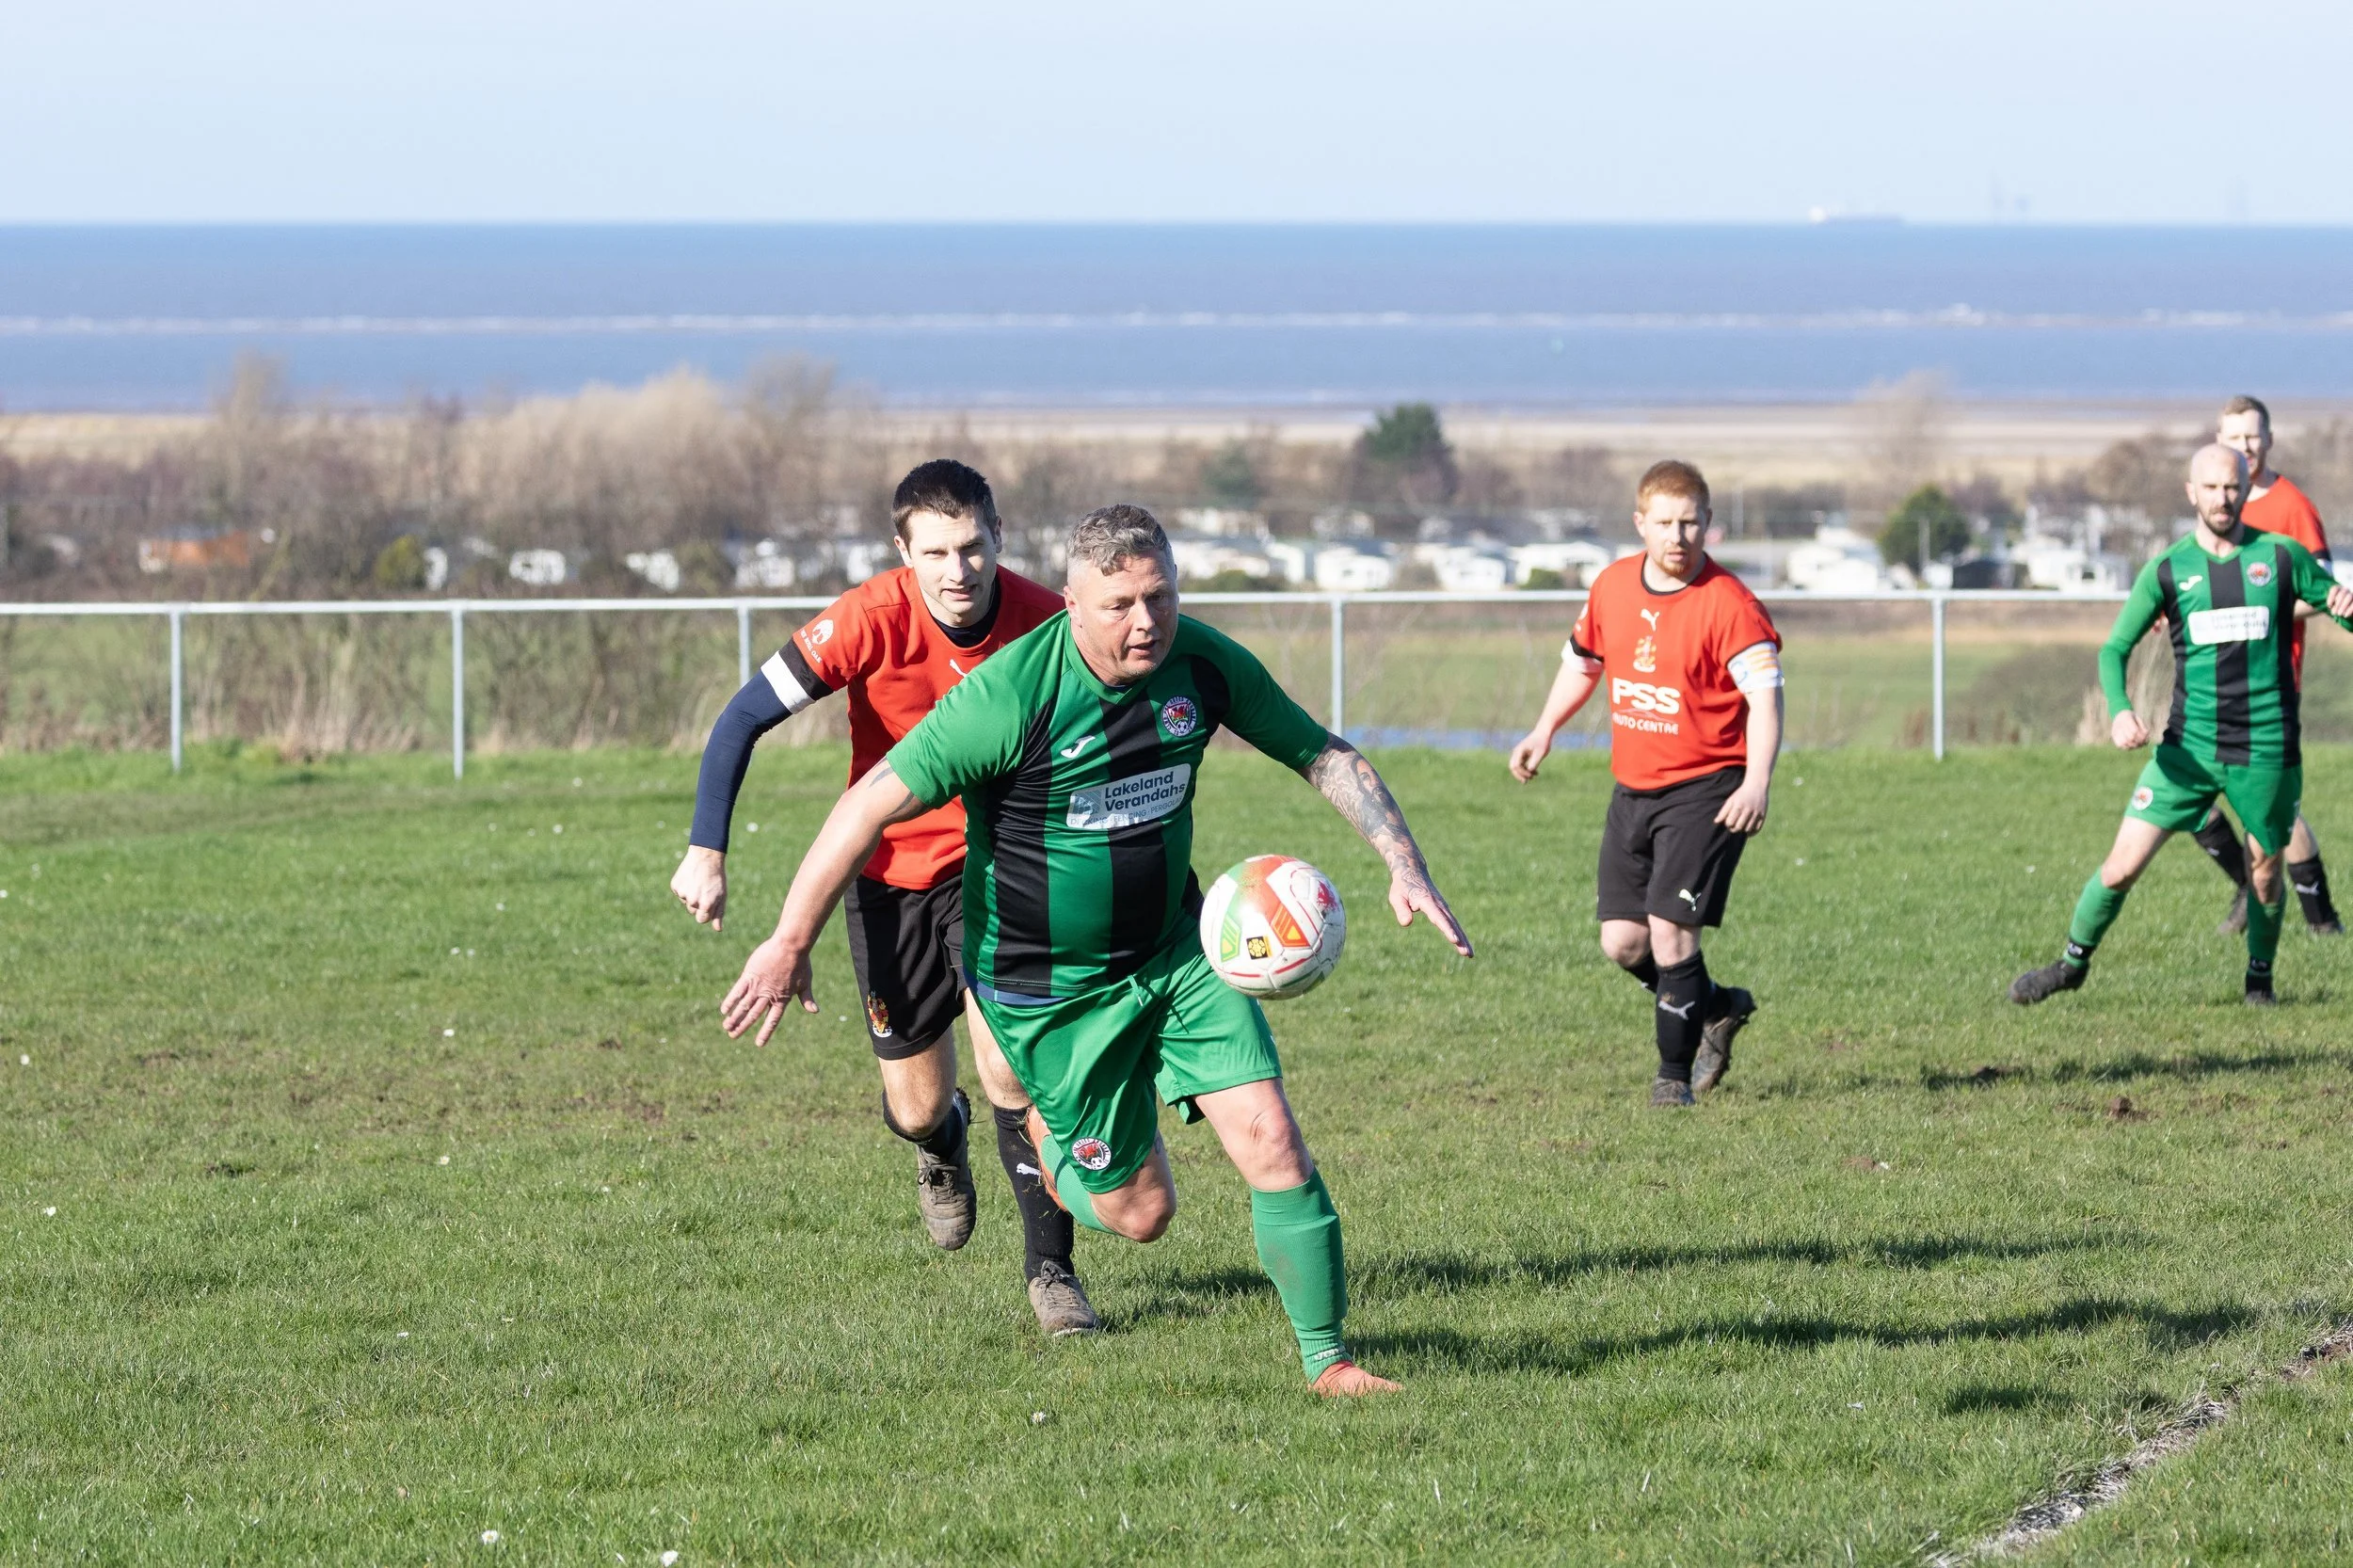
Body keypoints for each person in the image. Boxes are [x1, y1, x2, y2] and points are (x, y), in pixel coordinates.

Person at [718, 504, 1473, 1396]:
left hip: (1180, 955)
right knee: (1143, 1214)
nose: (1146, 621)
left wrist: (1403, 860)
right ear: (1071, 601)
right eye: (1119, 604)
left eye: (1160, 595)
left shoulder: (1202, 661)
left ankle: (1330, 1362)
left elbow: (1322, 753)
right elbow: (863, 807)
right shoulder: (1009, 697)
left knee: (1273, 1137)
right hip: (1050, 991)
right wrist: (788, 938)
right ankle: (1044, 1134)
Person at [668, 458, 1102, 1337]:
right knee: (913, 1103)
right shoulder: (866, 620)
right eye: (936, 551)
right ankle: (939, 1145)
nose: (959, 569)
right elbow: (741, 717)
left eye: (974, 546)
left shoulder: (1049, 625)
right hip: (887, 874)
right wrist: (706, 849)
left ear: (1001, 541)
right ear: (902, 551)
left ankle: (1053, 1276)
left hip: (1001, 869)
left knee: (1013, 1072)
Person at [2011, 444, 2353, 1008]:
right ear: (2191, 492)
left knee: (2266, 872)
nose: (2224, 497)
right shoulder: (2168, 571)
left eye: (2233, 486)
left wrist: (2344, 603)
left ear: (2246, 489)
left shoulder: (2282, 557)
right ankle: (2071, 965)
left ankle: (2259, 983)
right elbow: (2114, 649)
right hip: (2186, 752)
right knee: (2120, 867)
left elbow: (2339, 606)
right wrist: (2120, 708)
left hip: (2265, 747)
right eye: (2212, 487)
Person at [1508, 459, 1784, 1108]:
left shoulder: (1732, 606)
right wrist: (1543, 729)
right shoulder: (1610, 588)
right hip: (1633, 789)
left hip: (1709, 788)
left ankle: (1672, 1078)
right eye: (1665, 523)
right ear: (1641, 524)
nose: (1678, 536)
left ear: (1709, 524)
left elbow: (1767, 702)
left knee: (1670, 932)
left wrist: (1757, 782)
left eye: (1691, 523)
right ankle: (1714, 1006)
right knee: (1623, 942)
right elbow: (1583, 665)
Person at [2192, 395, 2345, 936]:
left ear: (2270, 439)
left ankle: (2321, 920)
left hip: (2270, 681)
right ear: (2219, 440)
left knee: (2273, 805)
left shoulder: (2292, 507)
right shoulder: (2219, 503)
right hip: (2209, 682)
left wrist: (2260, 608)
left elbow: (2323, 592)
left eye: (2254, 436)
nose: (2245, 447)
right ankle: (2248, 884)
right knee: (2187, 789)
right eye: (2235, 438)